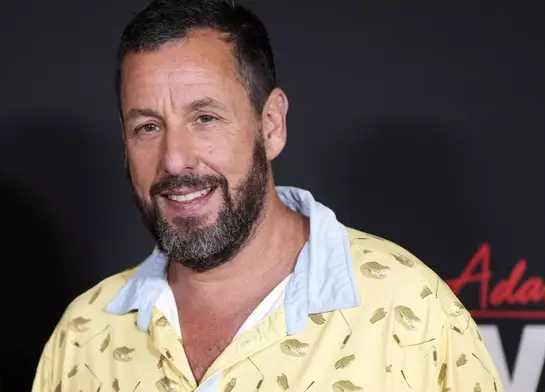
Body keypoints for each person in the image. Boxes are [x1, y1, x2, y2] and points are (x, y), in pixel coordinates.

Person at [31, 0, 504, 391]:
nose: (175, 160)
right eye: (148, 127)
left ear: (271, 124)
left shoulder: (412, 313)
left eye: (206, 118)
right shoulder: (83, 333)